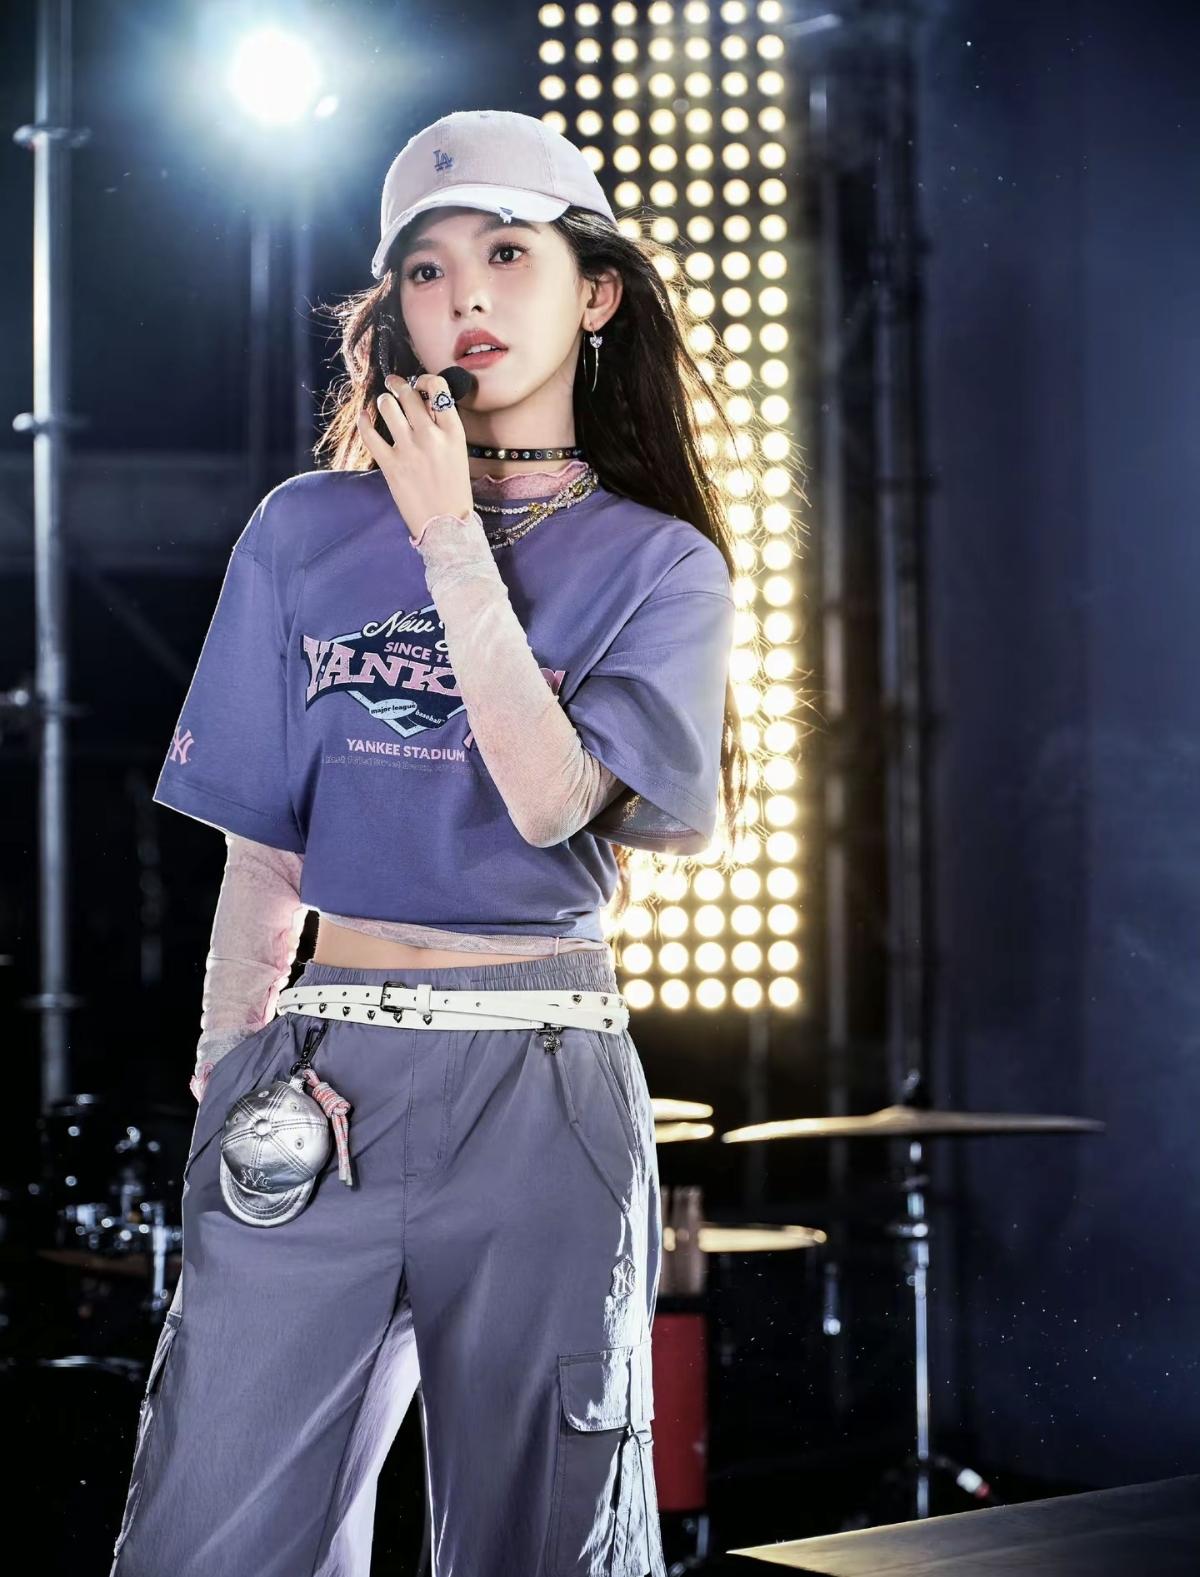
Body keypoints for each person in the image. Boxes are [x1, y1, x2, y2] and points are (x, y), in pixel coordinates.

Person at [109, 108, 751, 1576]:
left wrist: (452, 536)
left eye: (509, 255)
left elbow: (550, 804)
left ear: (596, 293)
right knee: (209, 1528)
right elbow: (264, 848)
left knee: (544, 1535)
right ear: (393, 307)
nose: (466, 297)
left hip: (542, 1079)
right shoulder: (303, 530)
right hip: (320, 1071)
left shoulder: (661, 564)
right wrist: (230, 1070)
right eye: (426, 269)